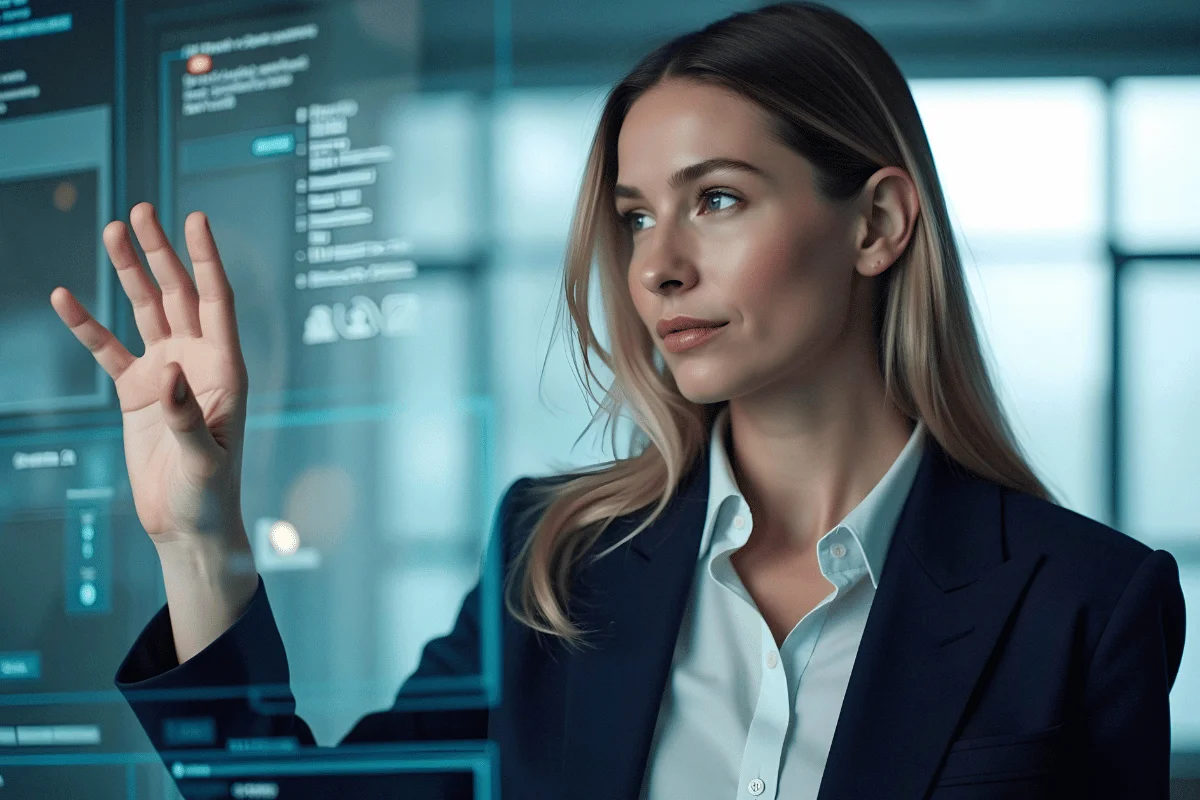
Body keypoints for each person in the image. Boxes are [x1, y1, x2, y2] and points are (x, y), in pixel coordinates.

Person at [50, 2, 1185, 798]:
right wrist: (199, 538)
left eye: (720, 200)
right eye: (637, 215)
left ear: (877, 225)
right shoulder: (554, 556)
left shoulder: (1087, 599)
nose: (656, 268)